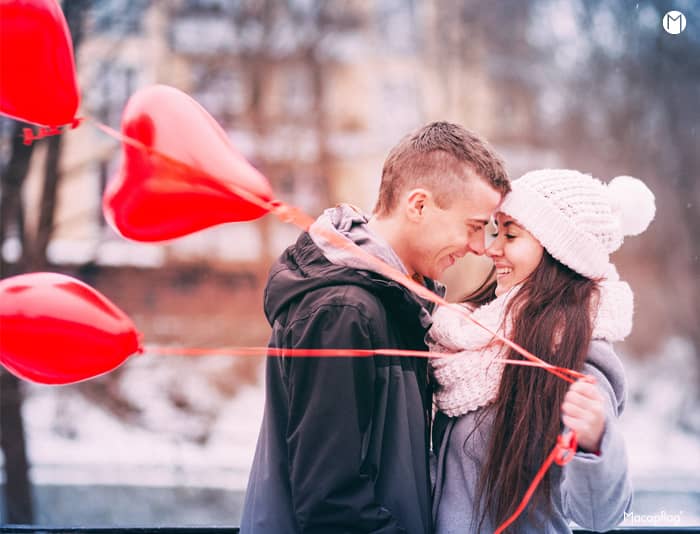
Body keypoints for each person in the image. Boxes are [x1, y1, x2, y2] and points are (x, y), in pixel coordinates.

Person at [240, 122, 510, 534]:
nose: (479, 247)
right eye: (474, 226)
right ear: (418, 206)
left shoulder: (396, 303)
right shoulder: (344, 311)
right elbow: (330, 504)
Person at [428, 170, 655, 533]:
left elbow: (600, 516)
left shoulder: (576, 356)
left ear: (558, 252)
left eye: (511, 235)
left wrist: (594, 443)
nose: (492, 248)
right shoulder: (465, 338)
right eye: (495, 230)